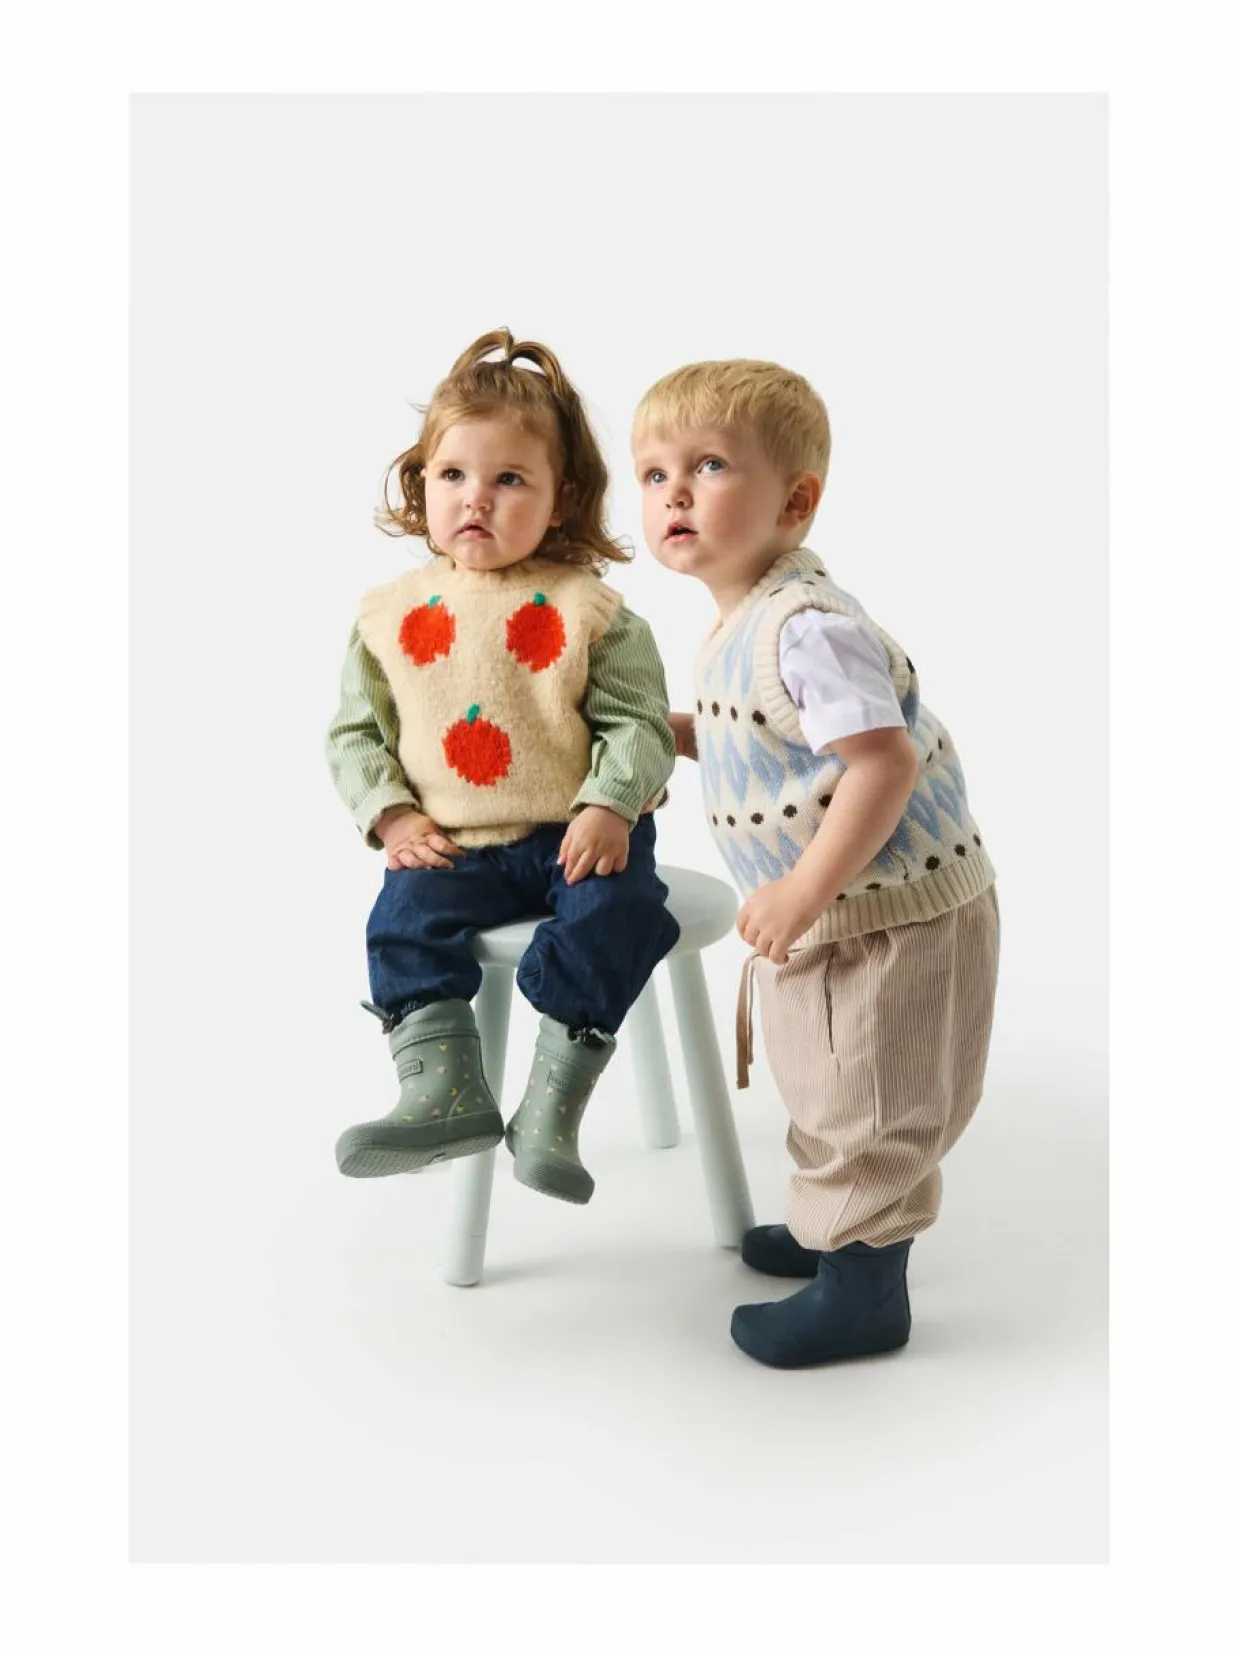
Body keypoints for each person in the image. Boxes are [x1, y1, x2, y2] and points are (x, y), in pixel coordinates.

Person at [632, 358, 999, 1366]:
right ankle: (830, 1228)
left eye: (709, 466)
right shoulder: (743, 620)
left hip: (888, 915)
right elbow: (774, 741)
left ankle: (865, 1297)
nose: (674, 493)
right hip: (843, 910)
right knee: (826, 1081)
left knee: (870, 1101)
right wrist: (675, 735)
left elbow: (880, 764)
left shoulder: (806, 630)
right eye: (655, 474)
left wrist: (801, 887)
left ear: (795, 502)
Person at [326, 328, 679, 1206]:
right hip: (455, 842)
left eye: (510, 479)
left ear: (562, 500)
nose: (475, 498)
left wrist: (611, 804)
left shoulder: (593, 610)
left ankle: (553, 1105)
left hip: (578, 832)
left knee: (619, 910)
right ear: (421, 483)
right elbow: (355, 735)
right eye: (452, 475)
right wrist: (393, 815)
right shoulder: (388, 615)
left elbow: (638, 725)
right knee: (403, 921)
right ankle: (441, 1090)